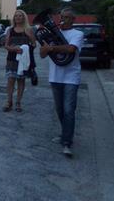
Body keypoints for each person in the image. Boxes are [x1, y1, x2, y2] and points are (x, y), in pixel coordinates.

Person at [40, 8, 83, 157]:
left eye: (67, 17)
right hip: (55, 77)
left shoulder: (78, 34)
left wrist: (51, 47)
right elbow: (42, 54)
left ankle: (66, 142)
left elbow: (71, 49)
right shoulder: (52, 34)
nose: (63, 19)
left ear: (73, 19)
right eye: (62, 17)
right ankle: (65, 134)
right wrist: (45, 48)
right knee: (60, 110)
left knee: (69, 110)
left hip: (71, 77)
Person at [3, 9, 36, 112]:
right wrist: (14, 49)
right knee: (10, 80)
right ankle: (9, 101)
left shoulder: (29, 30)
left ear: (24, 17)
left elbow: (34, 45)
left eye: (20, 16)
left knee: (21, 81)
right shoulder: (10, 30)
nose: (18, 17)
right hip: (12, 59)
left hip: (23, 60)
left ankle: (18, 102)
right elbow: (6, 45)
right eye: (16, 16)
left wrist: (26, 45)